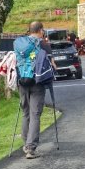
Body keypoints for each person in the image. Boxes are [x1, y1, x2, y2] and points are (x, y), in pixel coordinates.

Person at [19, 21, 55, 159]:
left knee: (25, 113)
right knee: (35, 114)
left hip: (22, 82)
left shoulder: (21, 44)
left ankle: (25, 142)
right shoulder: (44, 45)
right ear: (40, 31)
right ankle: (30, 148)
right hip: (38, 83)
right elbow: (53, 65)